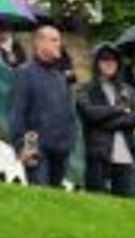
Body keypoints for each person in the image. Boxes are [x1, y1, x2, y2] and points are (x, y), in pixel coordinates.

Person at [7, 21, 81, 189]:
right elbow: (16, 113)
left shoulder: (60, 77)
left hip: (61, 151)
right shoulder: (24, 73)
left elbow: (69, 112)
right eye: (54, 40)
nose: (59, 45)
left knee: (53, 202)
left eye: (59, 40)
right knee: (40, 198)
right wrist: (22, 146)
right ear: (39, 43)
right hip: (37, 151)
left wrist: (70, 141)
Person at [74, 42, 135, 194]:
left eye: (113, 60)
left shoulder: (127, 89)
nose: (109, 63)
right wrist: (120, 110)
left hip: (125, 154)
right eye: (104, 59)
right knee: (96, 202)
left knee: (125, 205)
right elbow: (89, 113)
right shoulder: (85, 89)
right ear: (96, 63)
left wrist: (106, 122)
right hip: (98, 153)